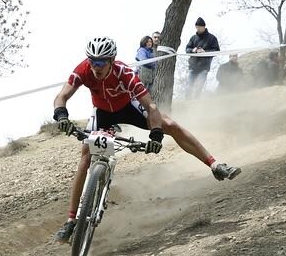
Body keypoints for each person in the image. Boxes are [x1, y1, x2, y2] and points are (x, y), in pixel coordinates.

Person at [52, 36, 241, 242]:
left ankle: (215, 165)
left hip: (128, 108)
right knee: (86, 156)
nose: (95, 66)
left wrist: (156, 133)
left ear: (112, 60)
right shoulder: (84, 70)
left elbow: (151, 107)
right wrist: (61, 114)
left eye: (101, 61)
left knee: (171, 126)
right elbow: (61, 96)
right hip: (103, 113)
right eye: (92, 61)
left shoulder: (124, 73)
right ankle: (71, 221)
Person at [185, 17, 220, 99]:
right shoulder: (193, 38)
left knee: (199, 87)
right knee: (189, 86)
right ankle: (187, 102)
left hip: (204, 67)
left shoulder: (212, 38)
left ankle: (196, 102)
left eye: (199, 27)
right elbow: (187, 49)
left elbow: (217, 50)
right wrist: (193, 50)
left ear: (203, 27)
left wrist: (205, 52)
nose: (197, 29)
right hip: (193, 66)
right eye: (196, 27)